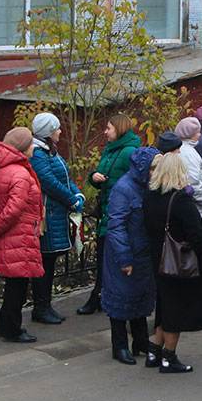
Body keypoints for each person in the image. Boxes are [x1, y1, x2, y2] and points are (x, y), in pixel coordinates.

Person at [142, 143, 202, 373]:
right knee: (176, 310)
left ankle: (154, 352)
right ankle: (168, 358)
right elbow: (195, 234)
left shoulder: (150, 195)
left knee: (164, 307)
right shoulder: (181, 200)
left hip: (158, 257)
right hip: (179, 261)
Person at [0, 128, 45, 344]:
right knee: (17, 285)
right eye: (30, 144)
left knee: (13, 284)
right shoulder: (20, 174)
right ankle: (12, 329)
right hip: (20, 236)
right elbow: (14, 210)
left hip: (8, 236)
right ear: (22, 147)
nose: (34, 147)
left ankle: (5, 325)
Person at [101, 146, 158, 365]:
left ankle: (141, 342)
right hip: (123, 253)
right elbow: (116, 226)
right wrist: (124, 257)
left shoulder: (147, 186)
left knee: (140, 297)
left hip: (142, 252)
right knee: (121, 298)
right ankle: (120, 346)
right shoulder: (123, 189)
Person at [80, 113, 141, 316]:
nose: (105, 132)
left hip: (119, 213)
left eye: (109, 128)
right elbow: (100, 174)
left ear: (120, 128)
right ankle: (100, 296)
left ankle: (101, 297)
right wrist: (94, 178)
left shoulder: (129, 151)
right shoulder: (109, 150)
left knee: (110, 258)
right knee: (104, 257)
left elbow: (134, 181)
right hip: (107, 210)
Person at [28, 112, 84, 326]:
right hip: (47, 215)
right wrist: (71, 200)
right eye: (57, 128)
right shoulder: (38, 154)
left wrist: (77, 194)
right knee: (44, 261)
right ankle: (40, 308)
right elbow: (49, 182)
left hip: (55, 213)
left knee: (49, 261)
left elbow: (65, 177)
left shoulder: (49, 151)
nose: (60, 131)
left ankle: (46, 305)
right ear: (48, 132)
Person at [175, 117, 202, 218]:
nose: (200, 135)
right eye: (197, 132)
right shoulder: (188, 153)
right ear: (189, 135)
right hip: (198, 210)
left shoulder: (184, 149)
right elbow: (192, 183)